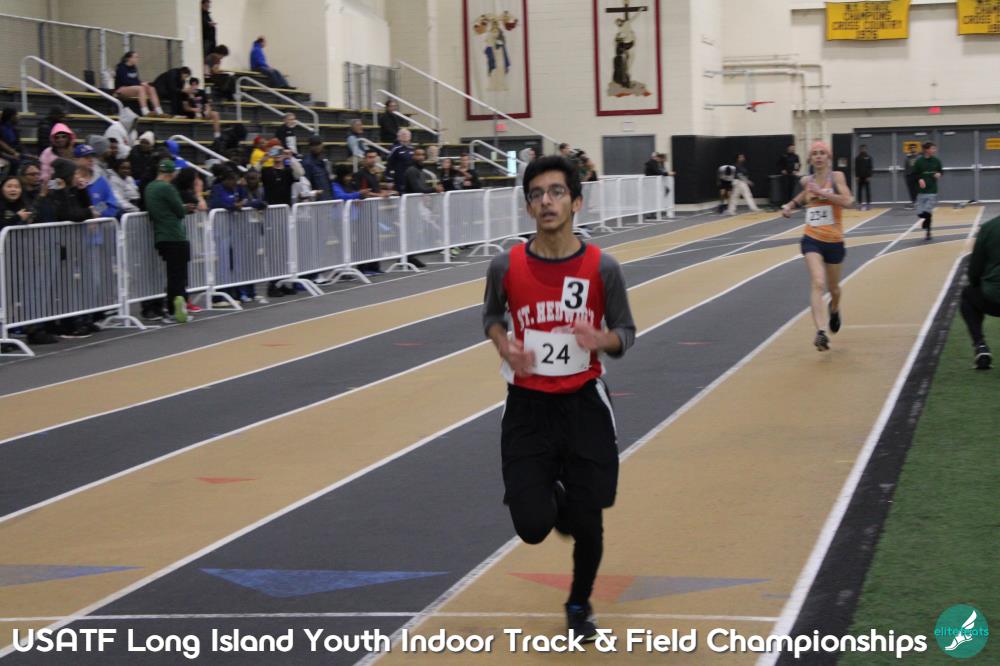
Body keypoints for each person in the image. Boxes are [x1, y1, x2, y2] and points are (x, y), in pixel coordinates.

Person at [481, 154, 636, 641]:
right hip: (527, 408)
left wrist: (601, 338)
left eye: (556, 192)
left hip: (583, 404)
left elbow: (626, 332)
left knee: (589, 523)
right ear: (528, 207)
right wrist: (503, 343)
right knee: (532, 526)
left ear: (576, 202)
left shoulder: (602, 267)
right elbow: (492, 317)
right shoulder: (506, 265)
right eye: (536, 194)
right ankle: (559, 498)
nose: (546, 202)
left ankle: (578, 603)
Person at [781, 140, 854, 352]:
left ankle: (835, 308)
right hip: (812, 238)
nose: (819, 156)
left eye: (822, 153)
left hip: (834, 241)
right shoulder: (807, 181)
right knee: (818, 282)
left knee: (834, 289)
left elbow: (848, 201)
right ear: (810, 159)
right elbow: (803, 195)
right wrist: (789, 206)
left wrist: (823, 193)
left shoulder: (836, 177)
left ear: (828, 157)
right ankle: (821, 332)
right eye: (815, 153)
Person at [145, 160, 190, 324]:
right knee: (178, 276)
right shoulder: (167, 187)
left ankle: (172, 309)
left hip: (161, 235)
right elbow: (179, 210)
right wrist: (186, 208)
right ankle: (175, 310)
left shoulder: (149, 187)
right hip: (174, 235)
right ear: (171, 174)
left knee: (172, 275)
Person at [961, 214, 1000, 370]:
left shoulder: (989, 228)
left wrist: (977, 283)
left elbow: (975, 268)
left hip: (994, 295)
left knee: (968, 295)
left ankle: (980, 346)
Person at [74, 144, 120, 219]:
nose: (91, 160)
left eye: (92, 157)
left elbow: (111, 203)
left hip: (99, 225)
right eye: (86, 157)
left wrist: (96, 211)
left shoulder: (101, 180)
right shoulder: (70, 181)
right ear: (76, 160)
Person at [114, 52, 166, 117]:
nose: (137, 59)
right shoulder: (121, 67)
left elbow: (136, 80)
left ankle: (159, 111)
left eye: (137, 57)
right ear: (129, 58)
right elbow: (125, 81)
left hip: (133, 88)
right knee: (141, 88)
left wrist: (144, 84)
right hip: (121, 89)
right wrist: (140, 84)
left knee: (151, 88)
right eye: (135, 57)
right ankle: (145, 112)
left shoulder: (134, 67)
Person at [913, 141, 942, 241]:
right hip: (921, 191)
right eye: (933, 148)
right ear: (926, 150)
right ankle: (925, 220)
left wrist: (939, 174)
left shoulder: (936, 161)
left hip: (932, 190)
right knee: (920, 213)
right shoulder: (919, 161)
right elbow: (914, 174)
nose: (935, 150)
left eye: (935, 148)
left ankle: (928, 232)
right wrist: (919, 179)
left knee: (928, 212)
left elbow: (940, 171)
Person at [301, 135, 332, 200]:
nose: (317, 147)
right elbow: (305, 186)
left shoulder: (323, 161)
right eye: (314, 145)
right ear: (310, 147)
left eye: (318, 144)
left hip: (327, 198)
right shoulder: (307, 163)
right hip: (316, 201)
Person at [0, 107, 24, 175]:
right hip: (4, 155)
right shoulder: (1, 128)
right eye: (16, 115)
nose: (19, 117)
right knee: (14, 161)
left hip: (14, 154)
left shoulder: (14, 129)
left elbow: (18, 145)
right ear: (11, 117)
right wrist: (13, 153)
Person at [854, 144, 873, 211]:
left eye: (864, 149)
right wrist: (856, 176)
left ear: (866, 149)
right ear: (860, 149)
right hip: (860, 177)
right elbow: (856, 168)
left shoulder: (869, 157)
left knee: (867, 190)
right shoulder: (857, 158)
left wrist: (869, 176)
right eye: (862, 149)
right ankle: (860, 204)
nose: (863, 150)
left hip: (867, 177)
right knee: (859, 191)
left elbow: (870, 167)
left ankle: (868, 205)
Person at [903, 144, 920, 209]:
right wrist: (906, 175)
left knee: (917, 189)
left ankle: (918, 202)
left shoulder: (919, 157)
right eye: (911, 148)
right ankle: (913, 202)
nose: (913, 149)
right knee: (911, 190)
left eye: (914, 148)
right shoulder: (907, 158)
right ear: (910, 149)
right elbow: (906, 167)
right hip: (909, 175)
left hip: (917, 175)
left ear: (916, 149)